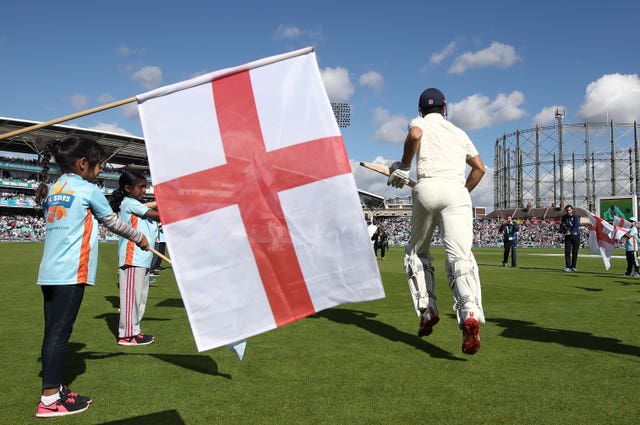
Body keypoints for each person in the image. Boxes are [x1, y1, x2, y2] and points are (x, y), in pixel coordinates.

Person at [34, 137, 149, 418]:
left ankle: (55, 388)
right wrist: (140, 238)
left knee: (53, 331)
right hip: (71, 272)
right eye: (99, 165)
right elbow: (112, 222)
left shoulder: (55, 186)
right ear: (83, 164)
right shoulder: (87, 189)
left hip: (49, 272)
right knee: (60, 334)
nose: (100, 171)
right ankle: (49, 400)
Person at [387, 87, 486, 355]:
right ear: (445, 107)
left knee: (416, 253)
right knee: (460, 257)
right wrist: (461, 192)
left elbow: (415, 135)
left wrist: (404, 166)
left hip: (427, 187)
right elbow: (480, 168)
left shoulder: (419, 122)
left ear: (421, 109)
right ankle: (470, 315)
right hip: (456, 191)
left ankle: (427, 308)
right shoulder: (459, 132)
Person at [109, 170, 160, 346]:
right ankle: (127, 334)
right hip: (132, 258)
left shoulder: (134, 203)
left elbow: (150, 209)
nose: (144, 190)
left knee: (140, 297)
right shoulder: (129, 202)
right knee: (131, 297)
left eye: (145, 187)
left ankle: (135, 331)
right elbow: (154, 213)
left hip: (142, 258)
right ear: (127, 188)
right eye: (141, 187)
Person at [559, 204, 580, 272]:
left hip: (575, 236)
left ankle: (573, 266)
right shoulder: (564, 217)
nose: (568, 211)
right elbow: (561, 225)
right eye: (567, 210)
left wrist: (570, 232)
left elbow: (576, 227)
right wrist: (563, 231)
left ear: (572, 210)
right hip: (567, 237)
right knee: (567, 252)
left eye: (569, 210)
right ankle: (568, 267)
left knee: (575, 252)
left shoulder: (576, 217)